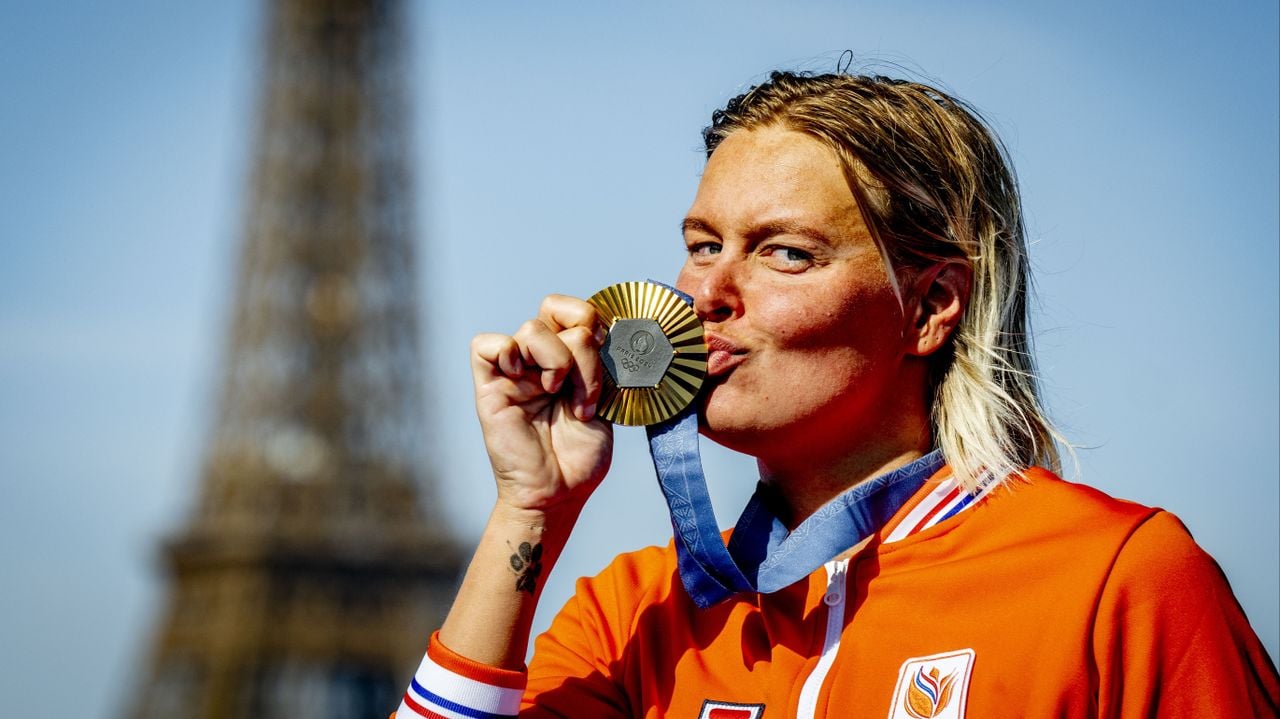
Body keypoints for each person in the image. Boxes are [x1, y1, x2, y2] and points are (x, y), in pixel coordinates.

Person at [393, 70, 1279, 718]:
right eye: (703, 245)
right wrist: (530, 508)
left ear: (929, 308)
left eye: (784, 252)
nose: (706, 295)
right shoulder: (638, 613)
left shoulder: (1118, 580)